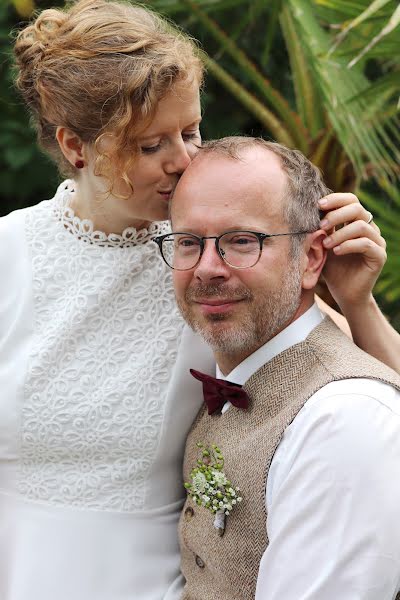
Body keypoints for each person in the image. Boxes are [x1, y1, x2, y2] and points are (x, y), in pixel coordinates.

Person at [1, 0, 398, 597]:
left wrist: (356, 301)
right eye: (150, 144)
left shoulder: (206, 262)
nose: (184, 160)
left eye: (190, 132)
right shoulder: (8, 254)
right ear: (76, 147)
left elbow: (368, 393)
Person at [160, 136, 400, 599]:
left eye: (242, 241)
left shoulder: (345, 419)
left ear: (311, 258)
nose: (208, 267)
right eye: (189, 242)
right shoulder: (227, 373)